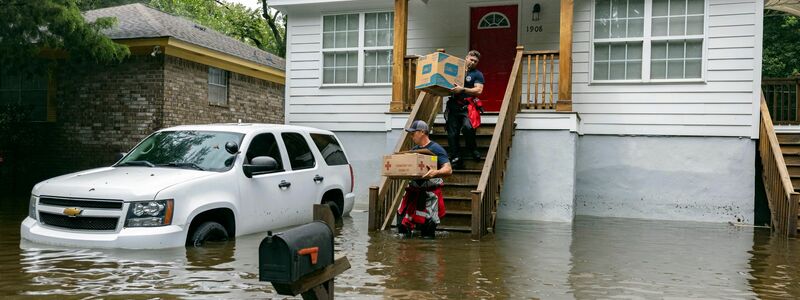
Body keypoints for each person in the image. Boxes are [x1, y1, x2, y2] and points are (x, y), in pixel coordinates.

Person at [396, 120, 453, 238]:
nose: (411, 136)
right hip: (413, 192)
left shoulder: (436, 149)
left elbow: (448, 169)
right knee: (402, 226)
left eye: (413, 133)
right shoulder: (414, 151)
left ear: (422, 132)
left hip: (429, 195)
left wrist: (435, 172)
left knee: (427, 232)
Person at [447, 50, 484, 168]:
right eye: (471, 59)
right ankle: (456, 157)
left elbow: (478, 90)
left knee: (468, 127)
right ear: (466, 58)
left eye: (475, 61)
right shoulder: (455, 71)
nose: (472, 62)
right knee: (452, 133)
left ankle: (473, 149)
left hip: (467, 107)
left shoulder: (477, 74)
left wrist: (462, 89)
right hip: (453, 106)